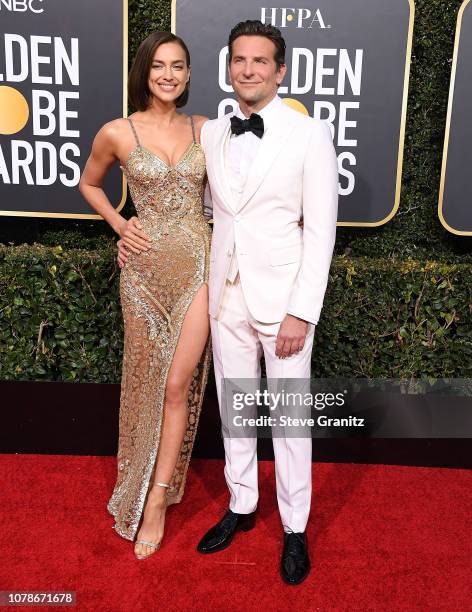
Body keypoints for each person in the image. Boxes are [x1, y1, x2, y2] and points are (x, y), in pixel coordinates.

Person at [118, 20, 338, 584]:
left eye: (260, 61)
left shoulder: (308, 134)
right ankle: (242, 505)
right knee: (237, 409)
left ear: (280, 70)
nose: (248, 69)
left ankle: (294, 526)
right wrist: (131, 237)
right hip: (223, 295)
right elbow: (197, 210)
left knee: (289, 419)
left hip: (283, 301)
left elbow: (321, 231)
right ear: (228, 68)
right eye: (239, 60)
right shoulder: (212, 132)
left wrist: (302, 310)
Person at [79, 31, 211, 560]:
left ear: (188, 73)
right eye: (159, 66)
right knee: (144, 382)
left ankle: (156, 500)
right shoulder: (117, 132)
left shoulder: (207, 129)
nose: (168, 75)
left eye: (178, 66)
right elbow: (89, 184)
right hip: (143, 274)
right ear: (145, 71)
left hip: (200, 268)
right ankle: (135, 480)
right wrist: (119, 223)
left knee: (177, 384)